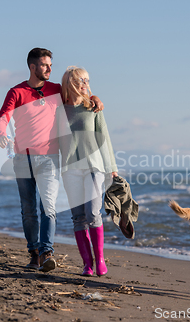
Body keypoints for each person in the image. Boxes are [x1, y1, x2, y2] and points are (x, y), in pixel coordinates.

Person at [0, 49, 103, 272]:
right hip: (22, 159)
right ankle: (34, 253)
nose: (50, 69)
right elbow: (2, 118)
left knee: (49, 208)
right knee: (28, 209)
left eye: (51, 65)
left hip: (49, 158)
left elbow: (77, 97)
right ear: (33, 67)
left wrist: (94, 98)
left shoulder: (55, 90)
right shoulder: (16, 92)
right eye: (45, 65)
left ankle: (47, 252)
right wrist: (1, 134)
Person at [58, 66, 118, 276]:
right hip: (69, 169)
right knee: (77, 218)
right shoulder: (58, 110)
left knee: (93, 213)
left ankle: (100, 259)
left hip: (94, 167)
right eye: (81, 80)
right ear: (70, 83)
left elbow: (105, 137)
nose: (85, 83)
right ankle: (87, 264)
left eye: (87, 80)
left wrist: (112, 168)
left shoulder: (93, 107)